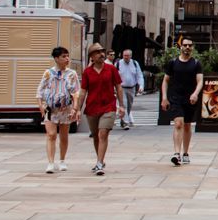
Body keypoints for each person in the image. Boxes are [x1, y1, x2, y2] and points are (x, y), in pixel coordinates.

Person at [37, 45, 81, 175]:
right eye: (63, 56)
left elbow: (76, 92)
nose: (67, 59)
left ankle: (62, 160)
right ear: (56, 58)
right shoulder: (48, 73)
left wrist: (75, 108)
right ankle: (50, 162)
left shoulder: (72, 74)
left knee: (64, 135)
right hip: (50, 108)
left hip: (66, 108)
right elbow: (40, 90)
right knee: (51, 135)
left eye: (67, 56)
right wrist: (40, 105)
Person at [79, 44, 121, 176]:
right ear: (91, 56)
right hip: (92, 107)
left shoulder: (111, 69)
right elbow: (83, 92)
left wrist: (122, 105)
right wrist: (77, 109)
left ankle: (99, 163)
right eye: (97, 52)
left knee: (103, 133)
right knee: (96, 136)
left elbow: (118, 87)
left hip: (109, 106)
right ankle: (100, 160)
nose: (101, 54)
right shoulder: (87, 72)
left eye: (102, 52)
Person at [165, 39, 203, 166]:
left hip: (190, 98)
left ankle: (185, 152)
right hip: (176, 97)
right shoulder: (173, 63)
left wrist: (195, 93)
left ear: (192, 47)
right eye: (185, 45)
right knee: (178, 123)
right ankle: (177, 153)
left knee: (187, 125)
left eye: (190, 45)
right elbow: (165, 80)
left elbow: (200, 81)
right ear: (180, 47)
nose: (187, 47)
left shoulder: (196, 63)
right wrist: (164, 97)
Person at [116, 48, 143, 130]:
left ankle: (123, 120)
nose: (126, 57)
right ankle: (125, 122)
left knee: (129, 106)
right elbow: (114, 76)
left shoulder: (135, 63)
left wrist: (141, 86)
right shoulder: (118, 64)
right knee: (124, 104)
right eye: (124, 55)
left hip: (132, 88)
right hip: (121, 88)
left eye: (127, 55)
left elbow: (139, 75)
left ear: (131, 56)